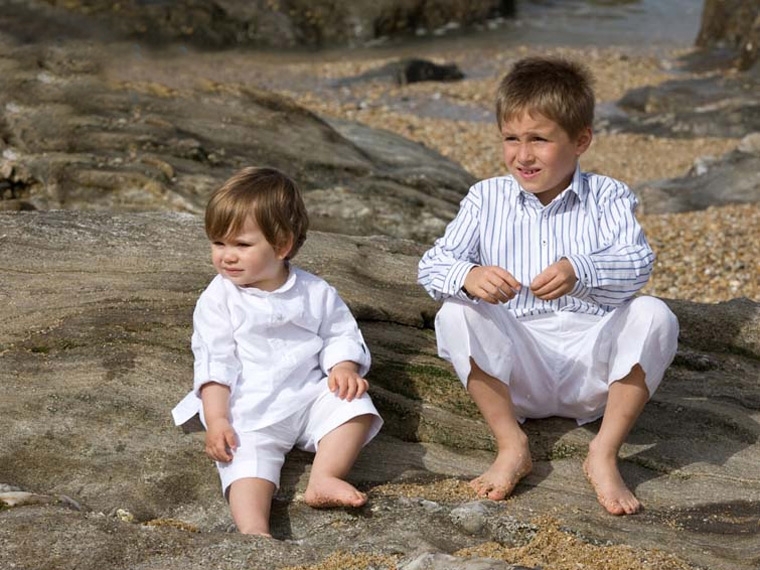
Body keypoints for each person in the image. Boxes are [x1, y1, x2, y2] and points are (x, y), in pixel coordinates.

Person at [417, 56, 678, 516]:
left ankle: (603, 450)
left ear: (580, 141)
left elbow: (638, 263)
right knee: (454, 311)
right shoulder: (486, 197)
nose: (523, 155)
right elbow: (433, 264)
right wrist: (469, 276)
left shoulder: (609, 195)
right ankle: (511, 442)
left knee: (656, 314)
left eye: (539, 139)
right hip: (519, 364)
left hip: (592, 364)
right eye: (511, 139)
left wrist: (582, 270)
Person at [172, 167, 383, 536]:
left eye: (241, 244)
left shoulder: (313, 291)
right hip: (249, 410)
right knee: (246, 464)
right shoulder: (218, 298)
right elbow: (214, 362)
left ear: (282, 245)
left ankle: (324, 477)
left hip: (307, 396)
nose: (227, 257)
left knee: (355, 408)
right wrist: (218, 418)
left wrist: (343, 367)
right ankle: (256, 533)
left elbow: (339, 333)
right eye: (218, 243)